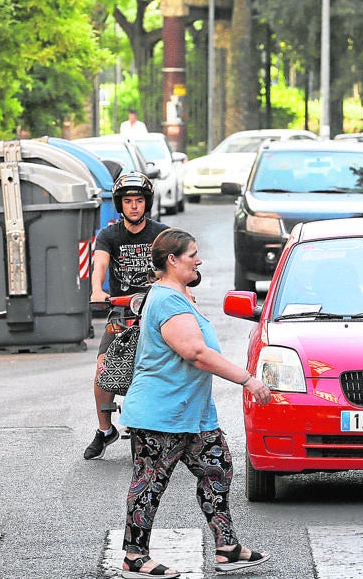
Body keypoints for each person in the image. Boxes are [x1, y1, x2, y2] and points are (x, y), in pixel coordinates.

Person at [118, 229, 273, 578]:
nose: (199, 260)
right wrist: (247, 379)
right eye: (192, 255)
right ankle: (134, 557)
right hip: (161, 412)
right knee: (150, 481)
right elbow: (196, 353)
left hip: (192, 413)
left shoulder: (182, 294)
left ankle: (227, 548)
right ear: (172, 261)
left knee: (218, 469)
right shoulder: (167, 300)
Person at [85, 172, 169, 460]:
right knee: (103, 369)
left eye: (139, 201)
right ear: (120, 205)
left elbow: (175, 266)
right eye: (128, 201)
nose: (134, 206)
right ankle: (105, 428)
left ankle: (181, 426)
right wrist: (98, 290)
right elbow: (100, 264)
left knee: (181, 360)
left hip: (158, 310)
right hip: (121, 311)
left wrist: (184, 291)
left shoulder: (162, 234)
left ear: (148, 203)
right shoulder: (109, 235)